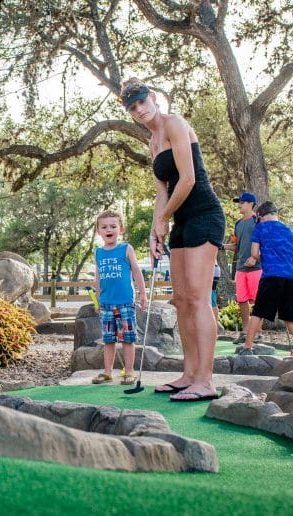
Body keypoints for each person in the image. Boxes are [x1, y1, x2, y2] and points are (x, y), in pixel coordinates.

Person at [122, 78, 225, 402]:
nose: (139, 109)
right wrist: (156, 228)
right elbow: (162, 191)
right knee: (180, 300)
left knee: (197, 299)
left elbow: (189, 179)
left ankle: (206, 381)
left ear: (153, 97)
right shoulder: (152, 143)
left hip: (204, 214)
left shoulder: (175, 124)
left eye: (142, 101)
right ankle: (189, 374)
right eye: (132, 106)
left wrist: (165, 217)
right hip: (179, 219)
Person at [238, 201, 293, 356]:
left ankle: (247, 347)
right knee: (289, 315)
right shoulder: (288, 230)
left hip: (271, 275)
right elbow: (288, 251)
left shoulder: (260, 228)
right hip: (290, 277)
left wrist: (259, 258)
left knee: (258, 312)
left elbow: (254, 253)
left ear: (260, 216)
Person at [91, 210, 147, 385]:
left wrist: (143, 294)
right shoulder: (98, 252)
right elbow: (98, 278)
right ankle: (107, 372)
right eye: (104, 227)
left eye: (113, 226)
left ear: (120, 229)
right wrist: (98, 300)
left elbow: (137, 272)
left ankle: (129, 372)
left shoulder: (126, 249)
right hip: (106, 303)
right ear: (98, 231)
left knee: (128, 338)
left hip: (125, 302)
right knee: (108, 339)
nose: (109, 229)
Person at [223, 192, 263, 342]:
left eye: (242, 202)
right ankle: (246, 332)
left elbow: (264, 243)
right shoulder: (238, 224)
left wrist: (254, 257)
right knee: (242, 300)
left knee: (257, 301)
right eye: (239, 202)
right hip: (240, 268)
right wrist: (221, 246)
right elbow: (236, 246)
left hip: (256, 267)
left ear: (251, 204)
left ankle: (258, 332)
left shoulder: (257, 222)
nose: (239, 205)